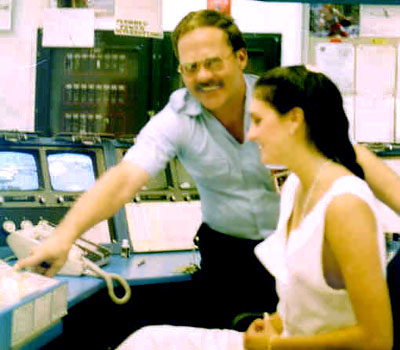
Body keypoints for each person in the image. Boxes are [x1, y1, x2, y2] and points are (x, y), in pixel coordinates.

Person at [15, 9, 400, 330]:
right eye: (190, 67)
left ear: (241, 58)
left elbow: (355, 156)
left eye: (212, 62)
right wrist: (63, 238)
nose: (202, 76)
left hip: (291, 257)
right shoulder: (178, 118)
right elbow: (123, 178)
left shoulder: (279, 107)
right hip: (226, 260)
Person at [115, 65, 393, 350]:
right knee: (145, 340)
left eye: (258, 121)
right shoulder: (296, 186)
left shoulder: (346, 206)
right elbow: (310, 305)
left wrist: (273, 345)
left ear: (294, 120)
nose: (251, 135)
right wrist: (275, 321)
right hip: (283, 342)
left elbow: (377, 339)